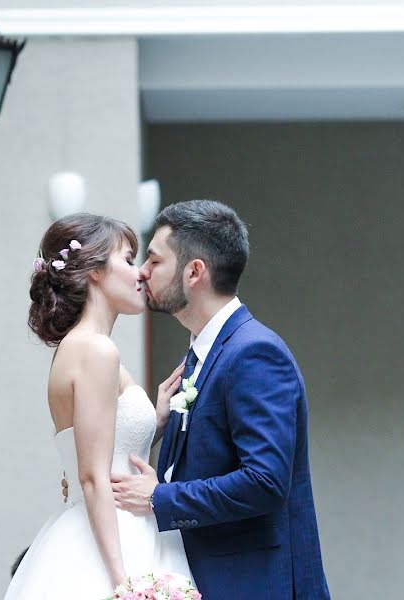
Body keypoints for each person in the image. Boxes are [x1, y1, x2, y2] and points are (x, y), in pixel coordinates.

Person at [111, 200, 331, 600]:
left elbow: (265, 481)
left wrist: (159, 497)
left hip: (253, 584)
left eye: (155, 260)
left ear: (194, 272)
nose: (142, 271)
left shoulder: (254, 353)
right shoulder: (201, 354)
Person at [3, 213, 194, 599]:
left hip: (103, 526)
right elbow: (92, 477)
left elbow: (98, 450)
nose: (140, 273)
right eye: (127, 259)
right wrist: (124, 583)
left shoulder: (78, 348)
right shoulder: (95, 350)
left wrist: (153, 422)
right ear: (93, 271)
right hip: (112, 538)